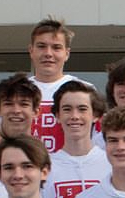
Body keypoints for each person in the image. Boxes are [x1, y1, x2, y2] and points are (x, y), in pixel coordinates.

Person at [42, 80, 110, 198]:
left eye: (82, 109)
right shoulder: (44, 167)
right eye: (67, 109)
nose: (74, 116)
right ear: (57, 116)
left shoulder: (111, 164)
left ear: (95, 115)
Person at [27, 17, 91, 152]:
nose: (48, 54)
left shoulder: (85, 91)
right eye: (41, 46)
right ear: (31, 50)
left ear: (67, 53)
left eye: (56, 47)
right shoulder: (16, 92)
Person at [0, 72, 42, 139]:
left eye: (24, 104)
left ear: (36, 112)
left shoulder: (41, 149)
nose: (16, 110)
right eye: (8, 104)